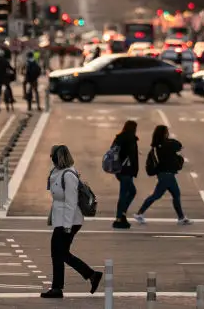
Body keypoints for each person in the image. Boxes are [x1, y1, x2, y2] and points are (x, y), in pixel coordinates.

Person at [41, 145, 103, 299]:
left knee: (58, 253)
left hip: (69, 221)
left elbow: (70, 202)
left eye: (52, 156)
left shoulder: (69, 175)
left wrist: (67, 226)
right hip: (61, 219)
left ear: (58, 157)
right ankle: (89, 276)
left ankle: (62, 286)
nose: (51, 158)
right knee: (60, 253)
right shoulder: (56, 172)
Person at [132, 125, 191, 225]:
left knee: (174, 194)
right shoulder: (169, 143)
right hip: (167, 175)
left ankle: (181, 217)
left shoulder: (155, 147)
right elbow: (179, 145)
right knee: (158, 195)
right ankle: (139, 214)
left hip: (163, 174)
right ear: (164, 133)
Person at [111, 120, 139, 229]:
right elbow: (132, 156)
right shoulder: (130, 139)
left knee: (131, 191)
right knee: (124, 193)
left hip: (119, 170)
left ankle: (122, 214)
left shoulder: (119, 138)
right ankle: (119, 217)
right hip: (126, 170)